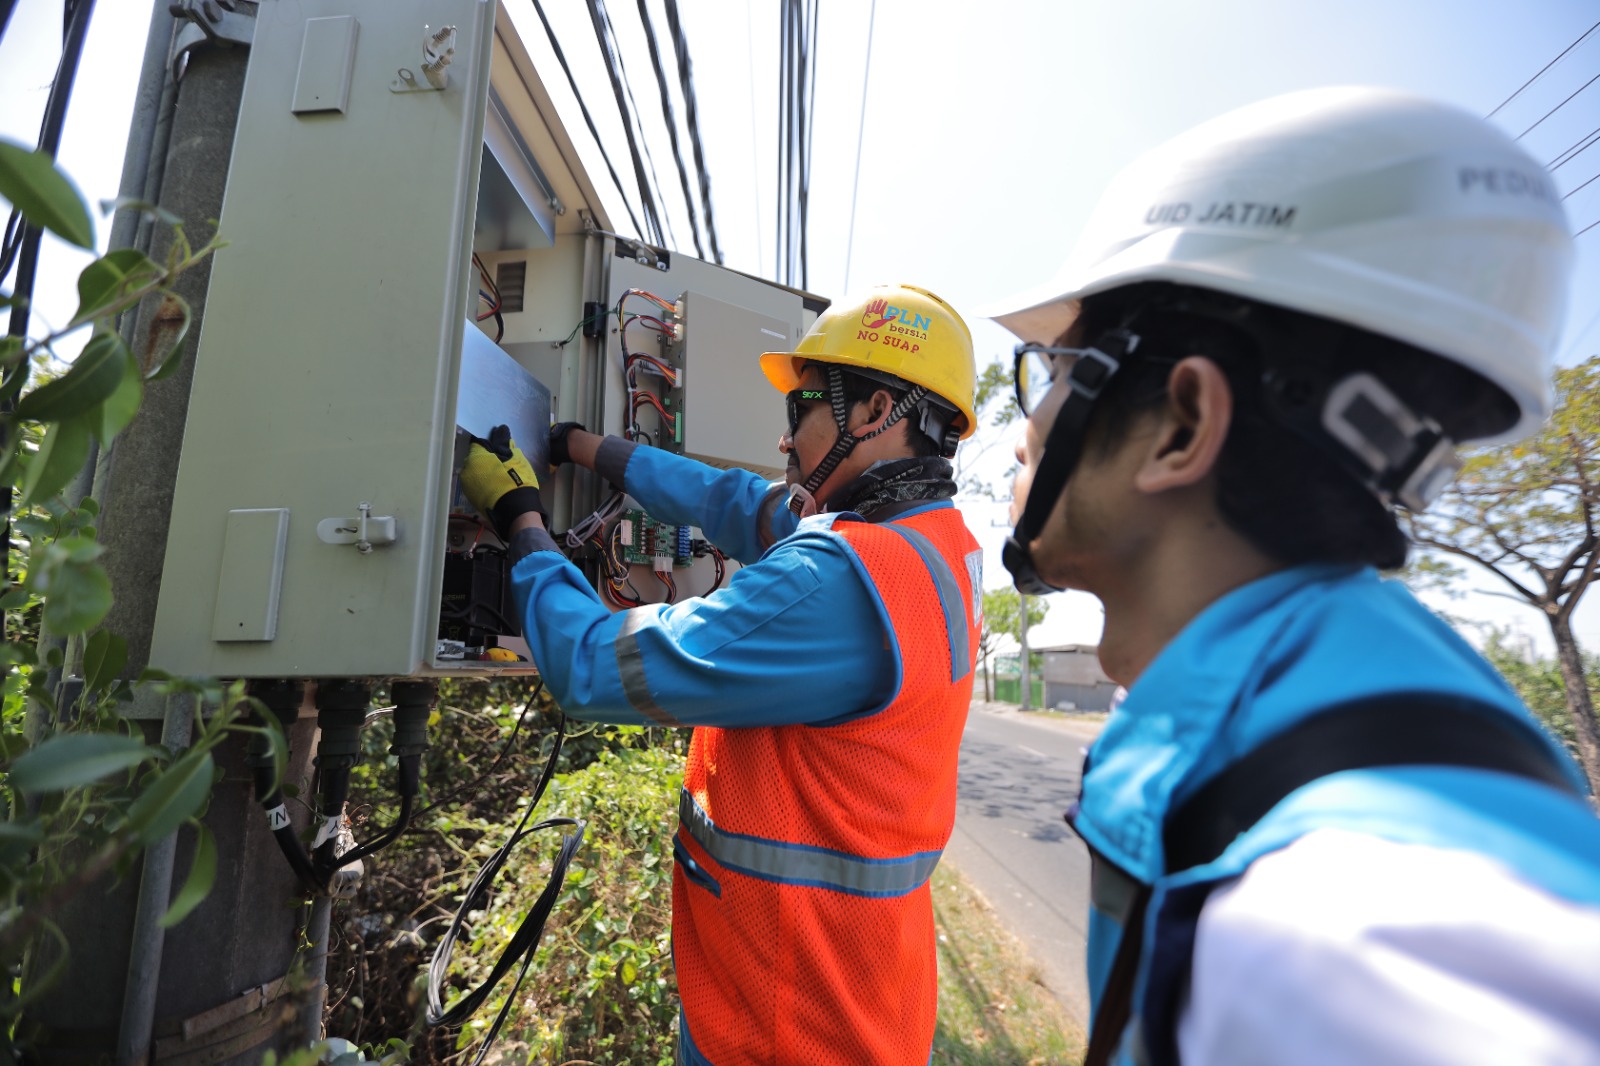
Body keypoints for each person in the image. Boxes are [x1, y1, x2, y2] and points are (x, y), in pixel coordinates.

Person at [992, 87, 1600, 1065]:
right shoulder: (1311, 692)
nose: (1024, 427)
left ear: (1184, 423)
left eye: (1056, 369)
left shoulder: (1342, 932)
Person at [459, 285, 984, 1066]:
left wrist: (522, 522)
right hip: (855, 992)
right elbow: (732, 501)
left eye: (801, 409)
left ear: (874, 414)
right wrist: (582, 446)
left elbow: (595, 667)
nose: (784, 441)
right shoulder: (931, 546)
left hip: (787, 1024)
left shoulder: (839, 582)